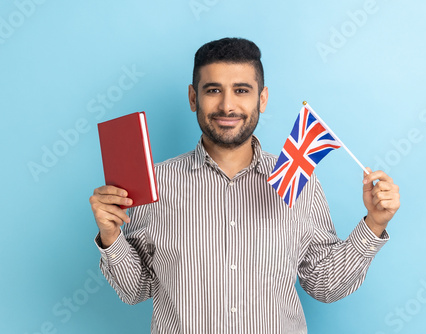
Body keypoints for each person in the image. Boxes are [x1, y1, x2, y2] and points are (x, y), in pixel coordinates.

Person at [89, 37, 400, 333]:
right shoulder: (155, 184)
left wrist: (373, 224)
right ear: (193, 97)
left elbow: (325, 284)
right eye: (213, 90)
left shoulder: (297, 179)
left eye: (241, 90)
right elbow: (136, 289)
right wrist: (111, 235)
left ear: (261, 99)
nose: (227, 106)